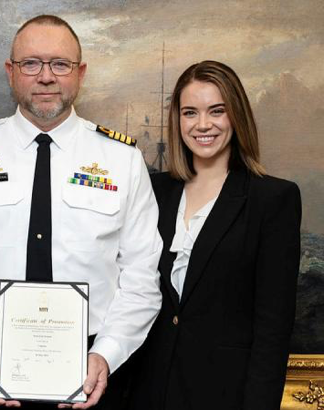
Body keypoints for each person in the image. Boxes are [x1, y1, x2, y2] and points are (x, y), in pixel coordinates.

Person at [0, 14, 163, 410]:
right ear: (11, 72)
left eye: (60, 64)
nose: (46, 77)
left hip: (92, 374)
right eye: (31, 64)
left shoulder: (122, 160)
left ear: (80, 73)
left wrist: (106, 353)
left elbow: (142, 273)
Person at [127, 60, 302, 410]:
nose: (202, 124)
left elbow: (273, 329)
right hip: (143, 390)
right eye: (190, 112)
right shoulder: (151, 189)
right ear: (178, 120)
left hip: (223, 394)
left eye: (216, 111)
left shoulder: (273, 199)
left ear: (236, 115)